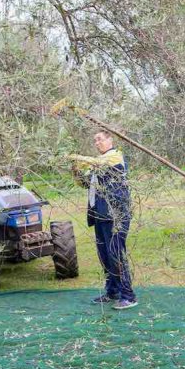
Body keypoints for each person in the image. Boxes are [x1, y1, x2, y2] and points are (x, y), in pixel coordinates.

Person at [69, 131, 137, 310]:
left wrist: (77, 157)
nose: (96, 143)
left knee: (115, 253)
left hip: (115, 215)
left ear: (110, 139)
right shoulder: (96, 165)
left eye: (100, 139)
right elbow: (85, 184)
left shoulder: (115, 156)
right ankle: (112, 291)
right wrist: (75, 171)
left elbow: (98, 163)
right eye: (94, 140)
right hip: (99, 215)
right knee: (105, 255)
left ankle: (128, 296)